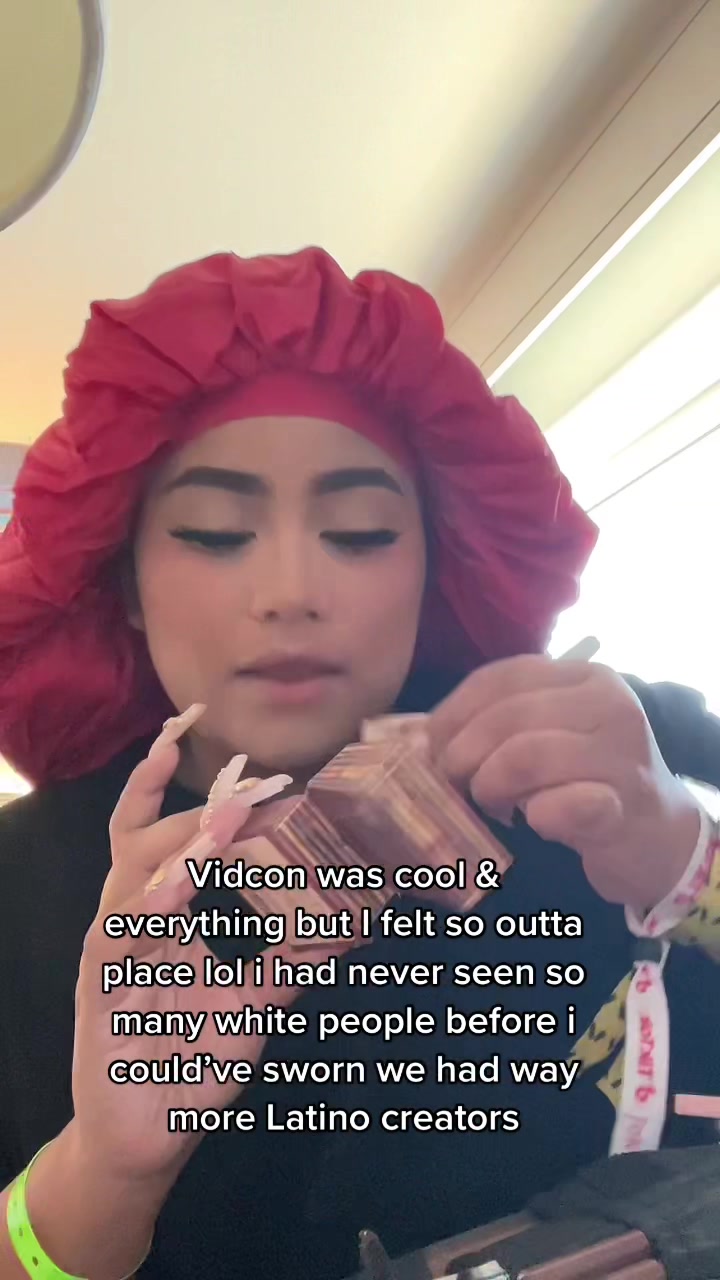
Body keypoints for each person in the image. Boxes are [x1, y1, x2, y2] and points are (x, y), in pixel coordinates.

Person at [1, 247, 720, 1280]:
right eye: (214, 533)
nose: (291, 590)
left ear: (434, 562)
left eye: (360, 531)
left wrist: (687, 860)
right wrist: (99, 1174)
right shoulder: (21, 882)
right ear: (125, 585)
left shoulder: (623, 747)